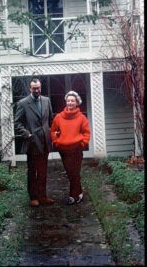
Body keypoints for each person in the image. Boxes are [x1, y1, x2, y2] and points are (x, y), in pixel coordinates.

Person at [15, 78, 55, 207]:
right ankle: (33, 197)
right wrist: (27, 134)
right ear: (30, 88)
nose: (37, 90)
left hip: (44, 142)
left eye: (38, 88)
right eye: (34, 88)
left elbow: (50, 119)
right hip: (32, 142)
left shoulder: (46, 100)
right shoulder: (23, 103)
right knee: (33, 171)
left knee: (43, 171)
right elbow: (17, 123)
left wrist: (50, 133)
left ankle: (43, 196)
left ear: (40, 87)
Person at [51, 91, 90, 205]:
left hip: (77, 148)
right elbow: (53, 131)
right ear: (66, 102)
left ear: (77, 102)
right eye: (68, 100)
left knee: (75, 172)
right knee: (70, 172)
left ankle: (73, 196)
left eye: (73, 100)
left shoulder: (82, 118)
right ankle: (79, 192)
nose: (70, 102)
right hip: (64, 149)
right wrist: (56, 142)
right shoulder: (59, 117)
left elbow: (86, 133)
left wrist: (83, 144)